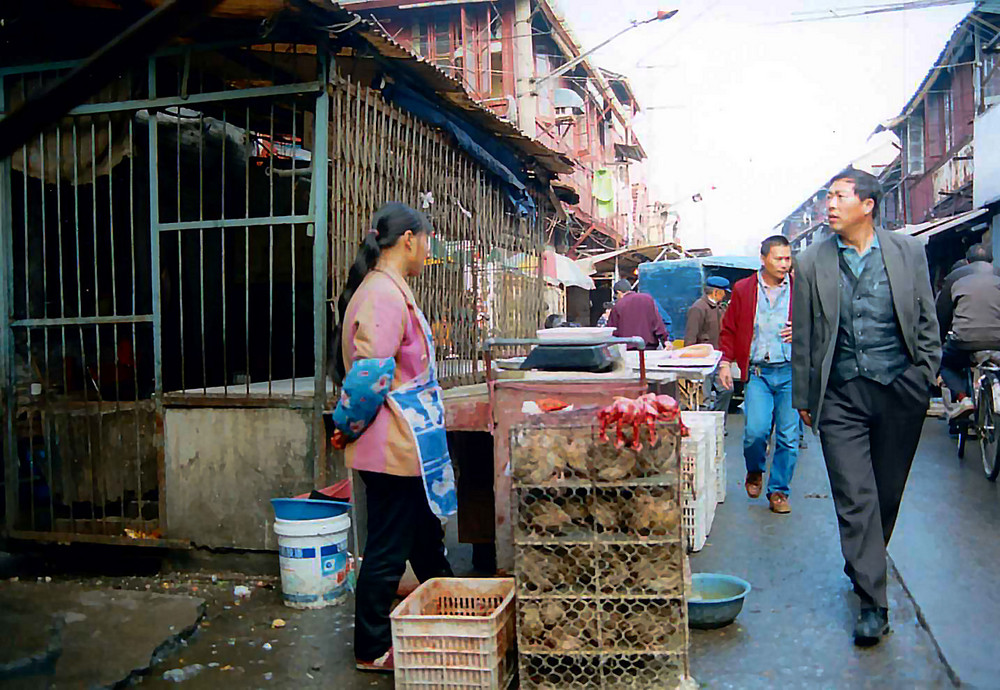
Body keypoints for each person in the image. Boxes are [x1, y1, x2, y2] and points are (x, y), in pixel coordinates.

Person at [792, 168, 940, 647]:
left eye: (839, 197)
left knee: (886, 495)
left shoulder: (907, 251)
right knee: (856, 497)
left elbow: (925, 316)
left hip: (900, 388)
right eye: (828, 197)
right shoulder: (812, 261)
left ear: (868, 204)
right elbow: (808, 335)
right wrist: (804, 398)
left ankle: (863, 558)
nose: (829, 205)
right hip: (841, 394)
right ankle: (874, 603)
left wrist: (924, 374)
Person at [327, 202, 457, 673]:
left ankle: (454, 609)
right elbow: (368, 378)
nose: (428, 251)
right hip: (392, 449)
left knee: (424, 540)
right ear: (409, 240)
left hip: (407, 447)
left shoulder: (389, 290)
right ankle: (372, 647)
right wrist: (345, 427)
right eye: (426, 241)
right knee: (386, 551)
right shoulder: (382, 294)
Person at [718, 236, 797, 515]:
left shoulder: (801, 288)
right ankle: (755, 470)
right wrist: (725, 362)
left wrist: (800, 331)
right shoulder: (744, 289)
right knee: (755, 432)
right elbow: (729, 328)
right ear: (763, 259)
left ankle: (778, 491)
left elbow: (819, 323)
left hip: (790, 373)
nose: (784, 264)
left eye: (787, 258)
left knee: (789, 437)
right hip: (758, 373)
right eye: (778, 258)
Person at [937, 243, 1000, 420]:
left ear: (967, 261)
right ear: (991, 261)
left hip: (964, 341)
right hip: (998, 342)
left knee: (946, 364)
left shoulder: (955, 277)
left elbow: (942, 315)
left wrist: (939, 342)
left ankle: (963, 398)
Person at [686, 276, 732, 416]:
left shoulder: (719, 307)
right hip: (703, 361)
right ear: (716, 292)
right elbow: (690, 337)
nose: (725, 295)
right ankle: (706, 428)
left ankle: (717, 422)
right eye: (724, 292)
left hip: (718, 358)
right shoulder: (698, 308)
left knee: (727, 389)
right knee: (703, 399)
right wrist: (689, 365)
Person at [607, 279, 671, 350]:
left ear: (619, 292)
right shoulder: (647, 299)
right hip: (649, 348)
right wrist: (665, 340)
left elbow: (613, 331)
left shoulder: (618, 305)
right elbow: (658, 323)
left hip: (627, 350)